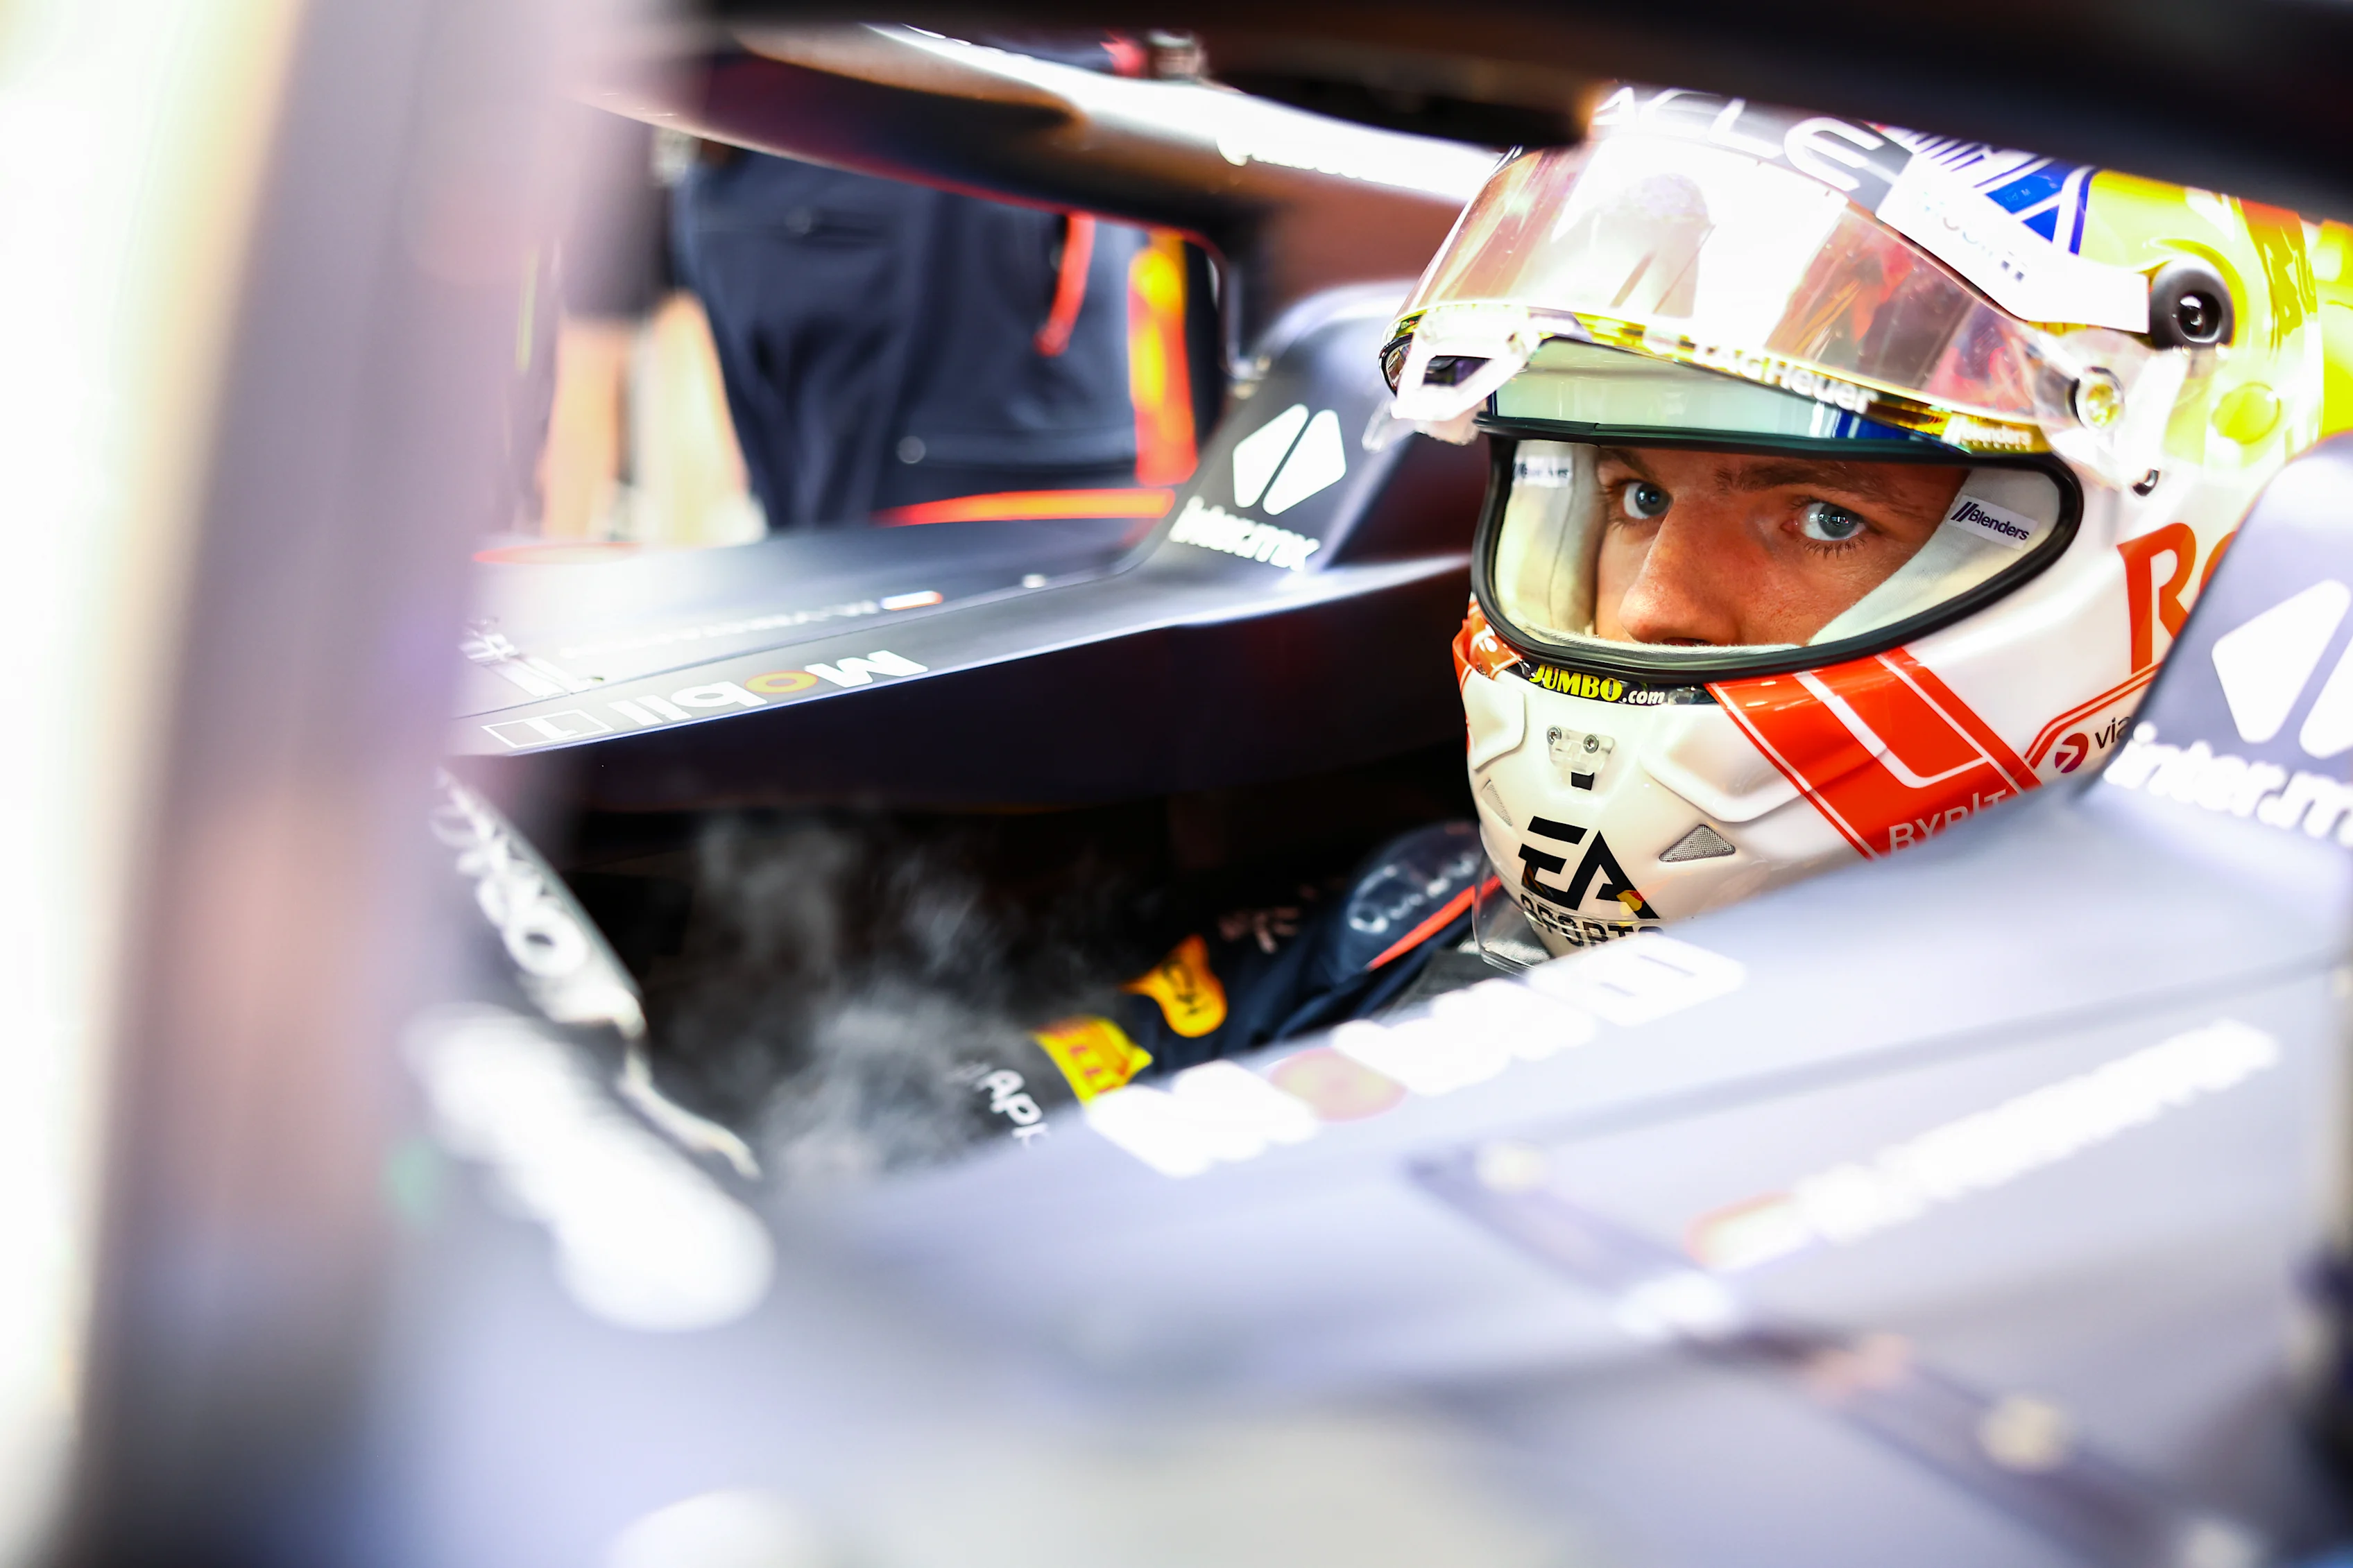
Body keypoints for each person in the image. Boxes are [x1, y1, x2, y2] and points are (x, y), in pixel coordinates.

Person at [1006, 83, 2353, 1103]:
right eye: (1632, 494)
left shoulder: (2228, 1096)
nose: (1648, 605)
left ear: (2172, 541)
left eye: (1821, 513)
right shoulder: (1404, 908)